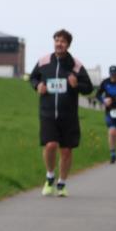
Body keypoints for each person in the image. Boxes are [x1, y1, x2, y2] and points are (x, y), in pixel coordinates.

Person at [30, 29, 94, 196]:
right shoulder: (44, 61)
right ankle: (50, 176)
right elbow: (33, 78)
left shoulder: (76, 65)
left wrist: (76, 85)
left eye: (63, 41)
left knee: (66, 151)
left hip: (68, 115)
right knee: (50, 145)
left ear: (68, 45)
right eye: (57, 40)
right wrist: (38, 86)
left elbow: (88, 88)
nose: (59, 44)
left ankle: (62, 184)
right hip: (48, 113)